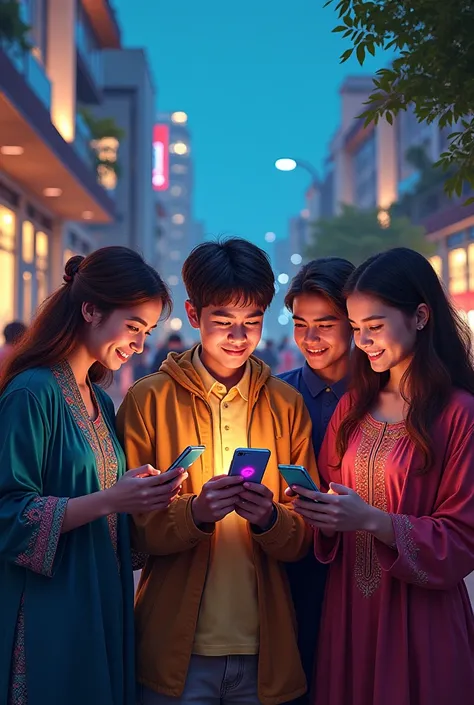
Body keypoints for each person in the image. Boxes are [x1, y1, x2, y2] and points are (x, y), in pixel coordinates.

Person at [117, 237, 319, 705]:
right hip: (174, 651)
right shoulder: (149, 401)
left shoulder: (286, 405)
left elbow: (306, 534)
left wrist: (270, 518)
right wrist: (197, 513)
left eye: (252, 322)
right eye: (223, 322)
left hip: (264, 649)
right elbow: (130, 535)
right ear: (193, 316)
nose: (238, 337)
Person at [0, 246, 187, 705]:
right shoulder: (31, 393)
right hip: (50, 604)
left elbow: (106, 501)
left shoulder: (100, 402)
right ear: (90, 310)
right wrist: (114, 500)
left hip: (100, 593)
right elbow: (8, 513)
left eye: (147, 331)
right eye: (133, 327)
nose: (140, 344)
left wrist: (143, 496)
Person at [290, 248, 474, 705]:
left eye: (374, 326)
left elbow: (464, 535)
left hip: (421, 615)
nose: (364, 341)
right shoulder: (352, 410)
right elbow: (329, 507)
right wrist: (318, 512)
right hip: (347, 609)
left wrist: (373, 520)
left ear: (420, 316)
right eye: (355, 329)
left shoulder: (459, 415)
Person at [279, 257, 354, 703]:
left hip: (363, 573)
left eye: (325, 324)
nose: (310, 338)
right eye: (300, 323)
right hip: (290, 573)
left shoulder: (385, 400)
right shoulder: (274, 396)